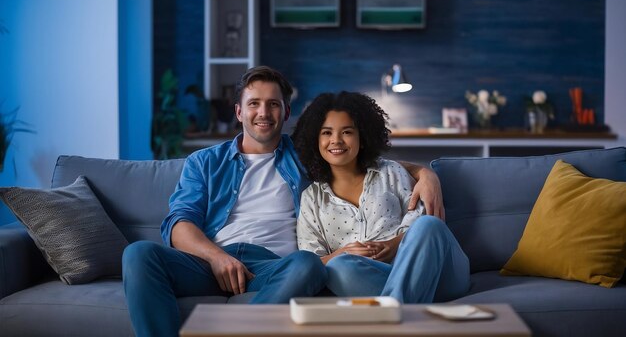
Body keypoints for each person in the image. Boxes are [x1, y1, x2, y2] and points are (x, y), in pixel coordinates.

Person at [122, 67, 444, 337]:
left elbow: (359, 159)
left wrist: (425, 173)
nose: (263, 113)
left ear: (286, 112)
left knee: (308, 263)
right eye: (254, 104)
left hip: (277, 267)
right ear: (239, 111)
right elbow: (179, 224)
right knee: (139, 253)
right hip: (210, 263)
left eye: (273, 104)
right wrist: (217, 257)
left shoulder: (303, 154)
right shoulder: (204, 162)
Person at [292, 91, 470, 303]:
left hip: (437, 272)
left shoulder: (391, 172)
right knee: (339, 267)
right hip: (374, 279)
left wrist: (393, 245)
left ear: (363, 137)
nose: (336, 140)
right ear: (315, 139)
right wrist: (343, 253)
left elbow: (424, 229)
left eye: (347, 132)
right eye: (326, 133)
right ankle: (403, 304)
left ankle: (395, 309)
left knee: (429, 225)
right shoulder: (311, 198)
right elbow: (312, 262)